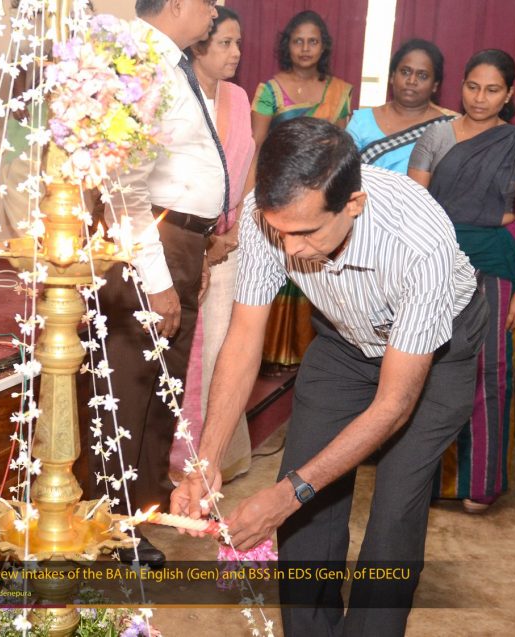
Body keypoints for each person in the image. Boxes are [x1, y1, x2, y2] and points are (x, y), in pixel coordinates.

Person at [171, 117, 487, 637]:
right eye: (281, 232)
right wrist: (206, 463)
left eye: (306, 233)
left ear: (353, 204)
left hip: (436, 355)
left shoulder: (418, 238)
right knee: (303, 500)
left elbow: (394, 405)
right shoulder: (265, 217)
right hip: (343, 343)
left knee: (394, 510)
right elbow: (244, 338)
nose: (291, 249)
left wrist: (285, 496)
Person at [77, 0, 220, 569]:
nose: (215, 10)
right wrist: (158, 281)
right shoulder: (142, 63)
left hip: (179, 241)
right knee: (127, 390)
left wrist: (197, 247)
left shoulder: (170, 61)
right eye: (208, 1)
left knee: (160, 389)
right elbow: (124, 188)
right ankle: (107, 525)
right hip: (147, 247)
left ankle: (138, 513)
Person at [408, 48, 515, 514]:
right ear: (460, 85)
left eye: (492, 90)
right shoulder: (436, 135)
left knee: (491, 371)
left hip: (494, 263)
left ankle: (479, 482)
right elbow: (415, 210)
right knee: (427, 366)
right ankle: (424, 479)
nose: (480, 98)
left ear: (508, 94)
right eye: (472, 86)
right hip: (438, 262)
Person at [172, 6, 255, 484]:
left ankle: (214, 456)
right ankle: (176, 459)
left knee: (222, 347)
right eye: (225, 43)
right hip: (182, 239)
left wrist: (232, 233)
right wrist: (202, 242)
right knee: (185, 350)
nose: (236, 52)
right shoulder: (176, 92)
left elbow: (247, 166)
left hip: (230, 240)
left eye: (238, 43)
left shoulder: (239, 97)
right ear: (198, 46)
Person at [251, 10, 353, 374]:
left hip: (320, 196)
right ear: (287, 46)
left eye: (313, 41)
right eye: (298, 41)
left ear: (324, 47)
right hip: (278, 191)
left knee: (314, 265)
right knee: (276, 265)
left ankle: (311, 353)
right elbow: (257, 146)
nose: (305, 48)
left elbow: (341, 149)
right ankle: (268, 352)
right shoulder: (269, 90)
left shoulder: (340, 91)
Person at [346, 38, 456, 173]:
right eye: (405, 72)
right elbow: (342, 172)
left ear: (435, 85)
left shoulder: (447, 128)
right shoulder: (362, 121)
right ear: (392, 77)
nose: (411, 81)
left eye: (422, 76)